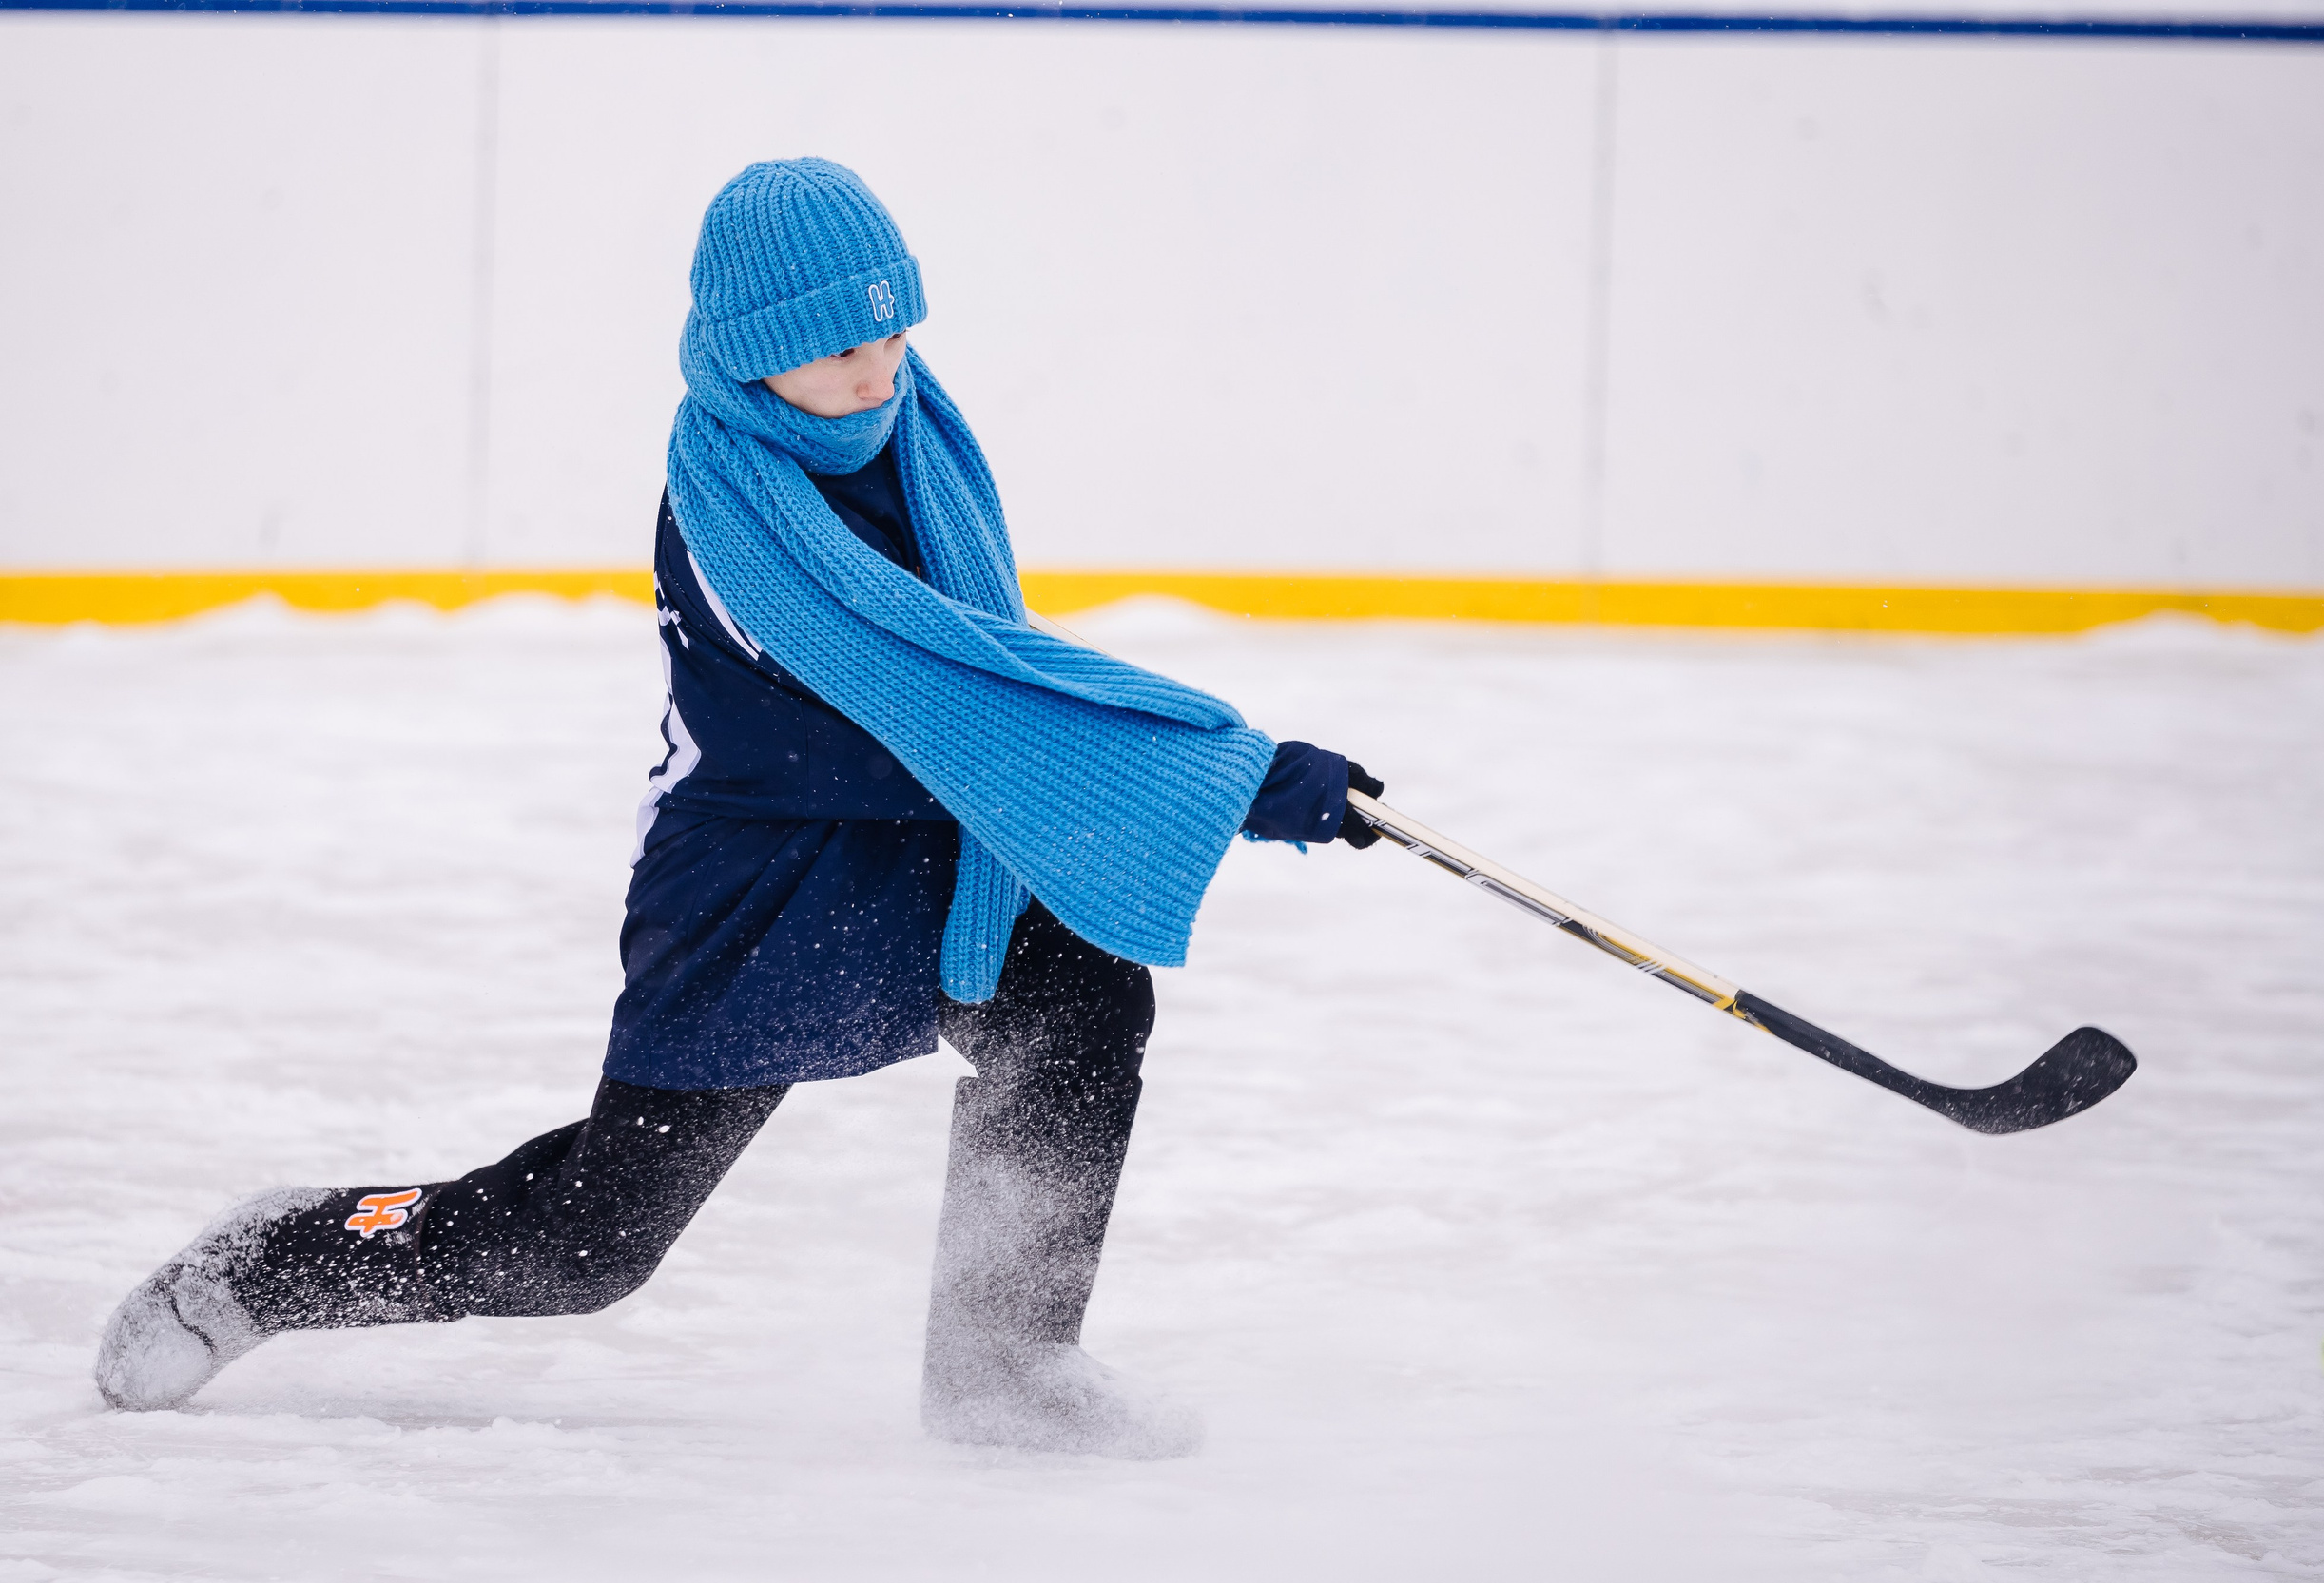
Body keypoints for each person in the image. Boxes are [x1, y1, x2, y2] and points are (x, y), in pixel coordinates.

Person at [92, 159, 1383, 1460]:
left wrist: (1214, 775)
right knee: (590, 1242)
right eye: (840, 351)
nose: (878, 374)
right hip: (761, 883)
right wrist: (1226, 773)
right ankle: (270, 1261)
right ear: (756, 355)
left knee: (1081, 995)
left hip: (921, 839)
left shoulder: (913, 431)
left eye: (893, 334)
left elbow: (989, 663)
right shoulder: (729, 521)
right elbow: (947, 708)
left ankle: (1007, 1366)